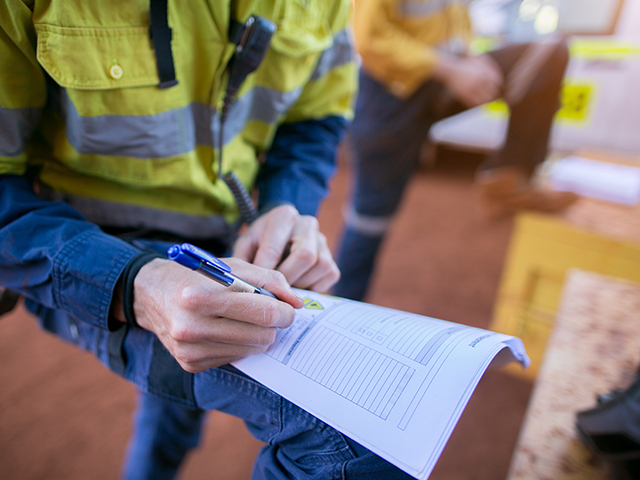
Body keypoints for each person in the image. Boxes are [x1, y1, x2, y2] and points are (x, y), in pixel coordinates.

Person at [0, 1, 413, 478]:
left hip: (223, 247)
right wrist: (136, 284)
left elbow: (315, 115)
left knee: (179, 397)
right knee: (359, 432)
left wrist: (287, 203)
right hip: (90, 251)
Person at [332, 0, 578, 302]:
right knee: (370, 222)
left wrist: (471, 58)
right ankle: (341, 310)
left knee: (548, 53)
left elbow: (454, 23)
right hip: (388, 98)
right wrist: (450, 69)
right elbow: (370, 39)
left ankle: (509, 178)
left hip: (436, 82)